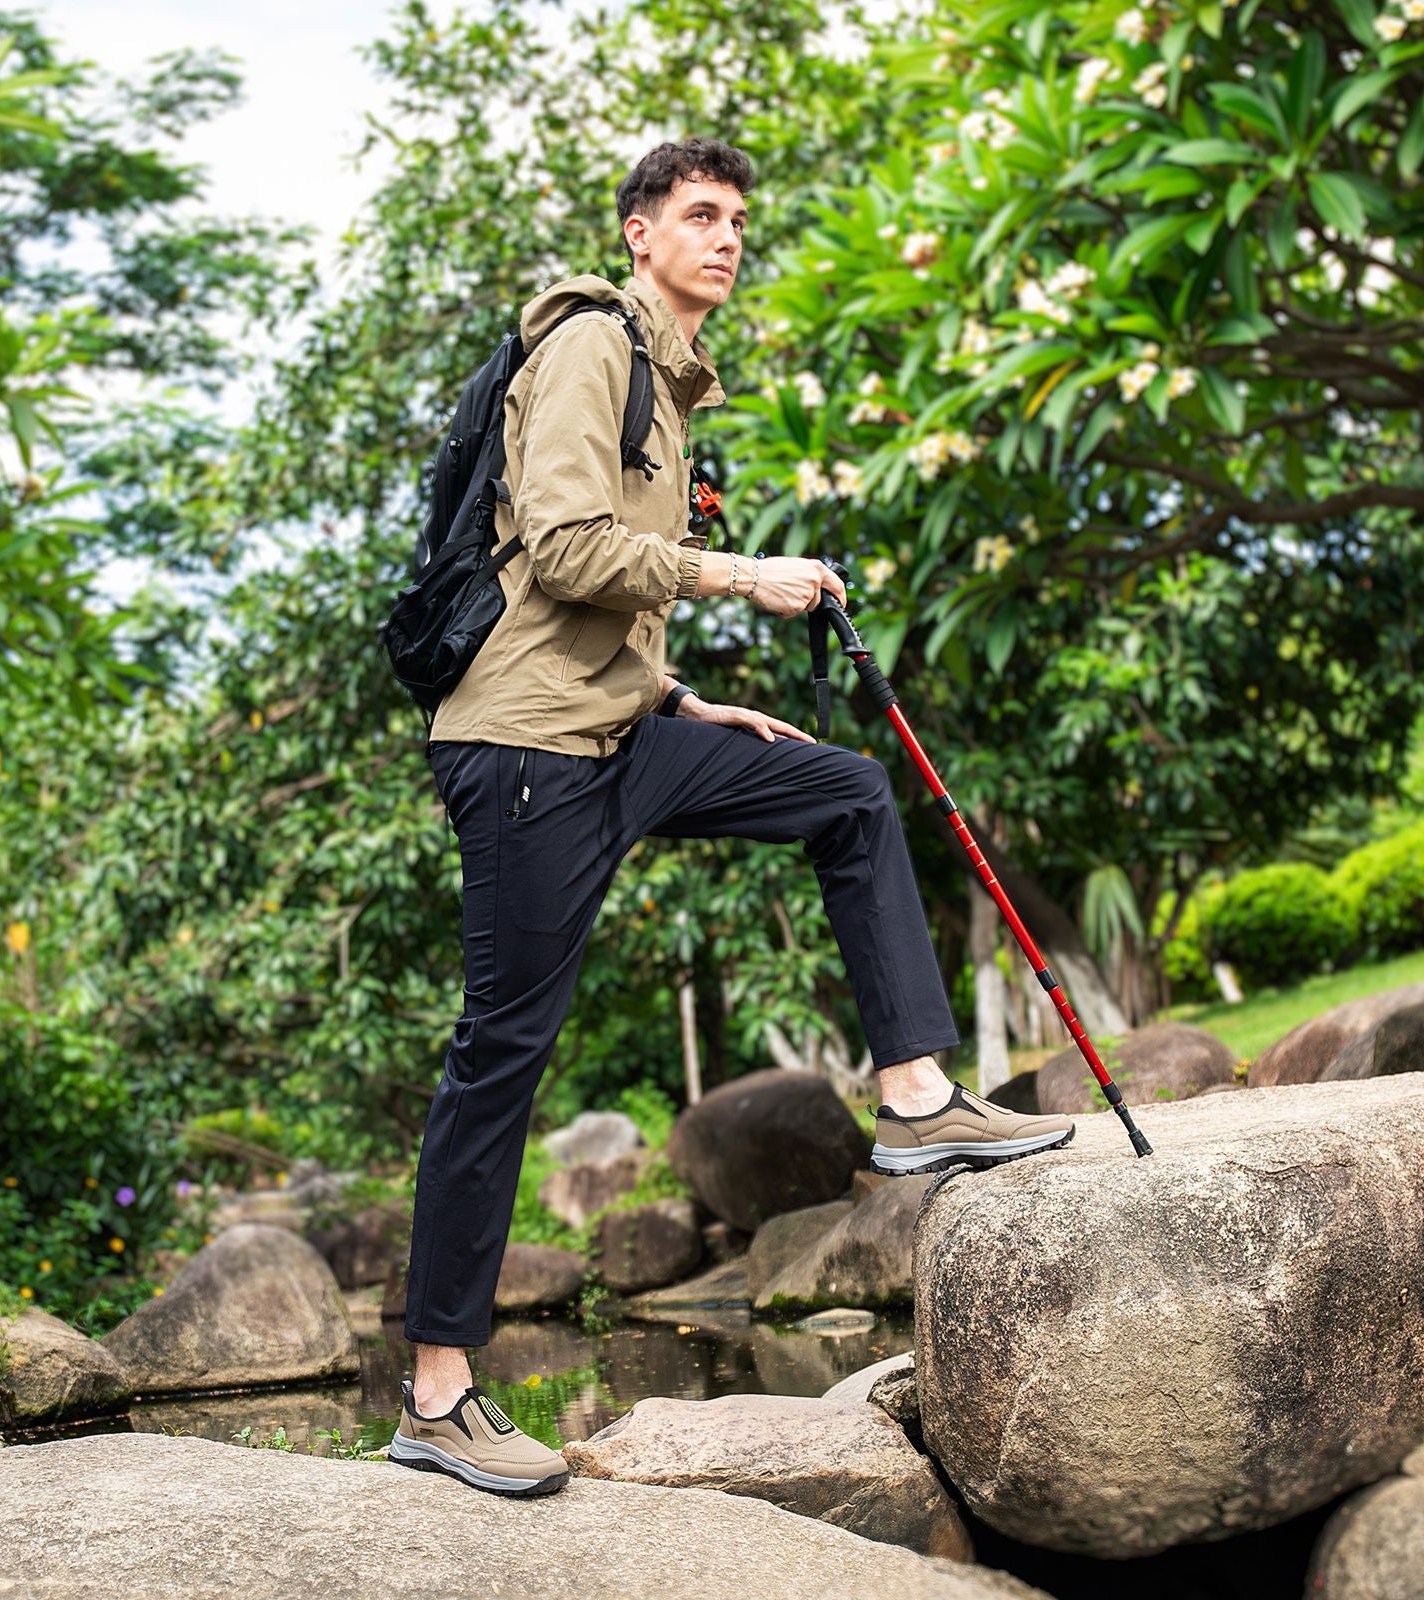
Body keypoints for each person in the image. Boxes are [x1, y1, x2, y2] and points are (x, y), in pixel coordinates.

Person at [388, 137, 1074, 1497]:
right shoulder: (592, 341)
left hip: (623, 732)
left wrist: (682, 696)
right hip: (526, 752)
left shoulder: (670, 372)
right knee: (501, 1055)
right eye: (700, 215)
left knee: (843, 789)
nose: (728, 236)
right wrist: (740, 575)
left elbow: (591, 592)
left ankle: (918, 1099)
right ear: (640, 234)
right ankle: (438, 1394)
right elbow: (574, 545)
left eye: (739, 219)